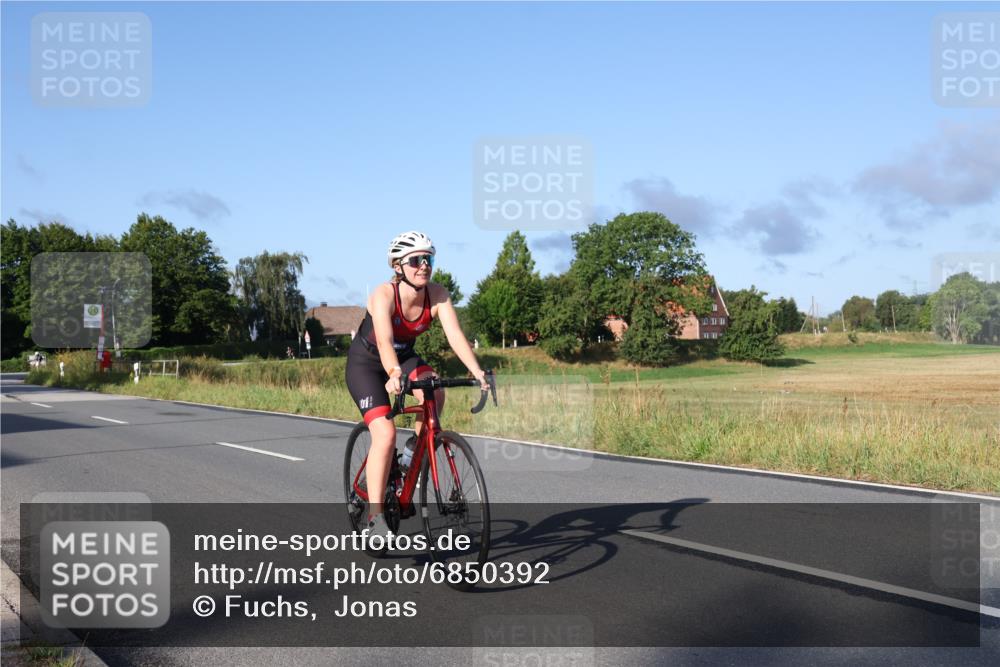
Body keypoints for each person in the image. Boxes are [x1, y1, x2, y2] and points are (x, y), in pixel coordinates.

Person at [345, 231, 489, 542]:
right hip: (367, 364)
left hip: (404, 358)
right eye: (416, 260)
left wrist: (476, 371)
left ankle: (412, 456)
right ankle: (375, 516)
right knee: (384, 434)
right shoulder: (383, 295)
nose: (424, 265)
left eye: (429, 259)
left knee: (435, 389)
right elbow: (384, 341)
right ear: (398, 266)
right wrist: (393, 371)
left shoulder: (437, 295)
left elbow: (455, 336)